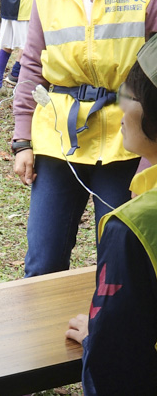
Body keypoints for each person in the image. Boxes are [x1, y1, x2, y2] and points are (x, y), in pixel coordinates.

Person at [12, 0, 157, 277]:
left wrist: (151, 155)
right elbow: (32, 63)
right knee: (43, 260)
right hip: (60, 138)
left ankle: (108, 326)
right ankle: (42, 328)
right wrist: (23, 139)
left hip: (127, 140)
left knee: (119, 258)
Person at [65, 34, 157, 395]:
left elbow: (114, 365)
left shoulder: (134, 227)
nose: (118, 107)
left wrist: (96, 338)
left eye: (127, 96)